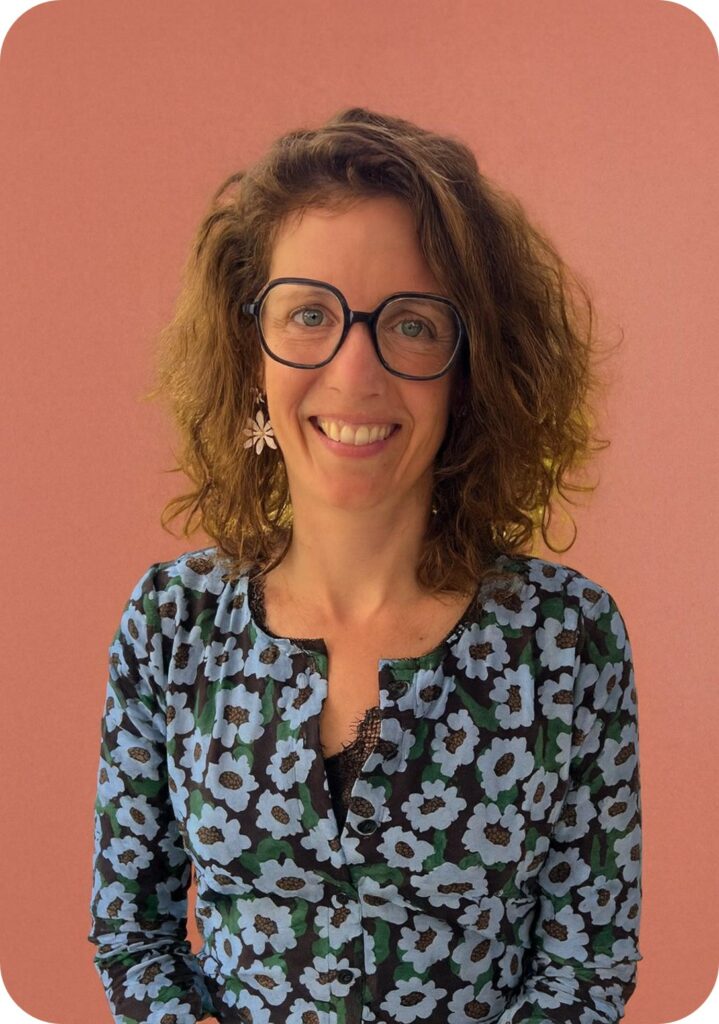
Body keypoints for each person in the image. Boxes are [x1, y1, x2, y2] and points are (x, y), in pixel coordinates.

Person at [88, 107, 642, 1024]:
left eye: (412, 324)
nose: (355, 373)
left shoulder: (567, 641)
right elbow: (132, 938)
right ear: (249, 351)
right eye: (308, 314)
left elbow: (585, 969)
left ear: (471, 368)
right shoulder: (169, 624)